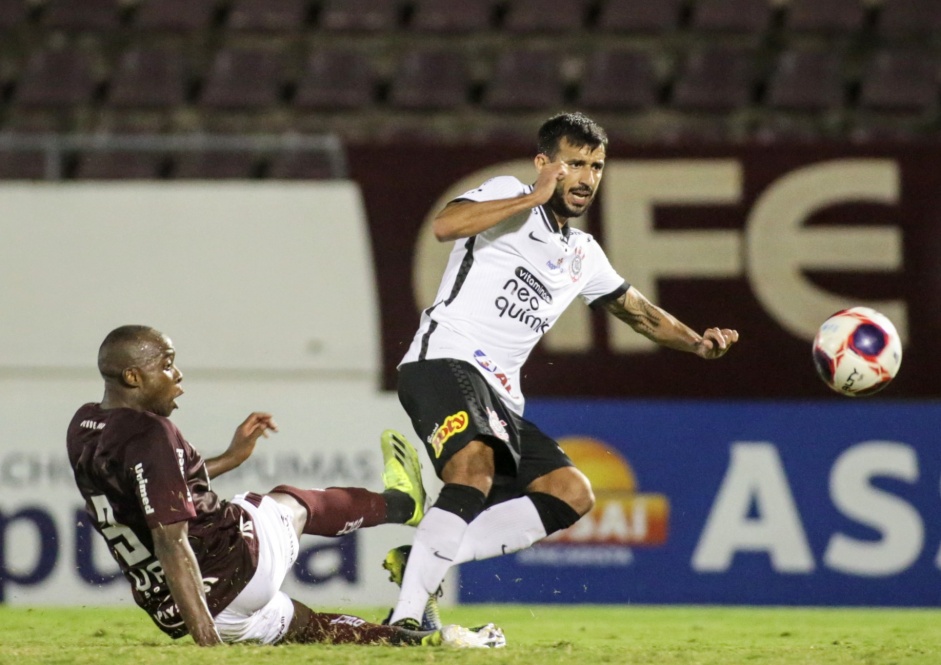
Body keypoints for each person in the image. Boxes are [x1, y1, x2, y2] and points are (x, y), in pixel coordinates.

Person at [385, 112, 740, 628]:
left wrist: (698, 344)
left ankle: (424, 557)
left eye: (595, 166)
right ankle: (406, 621)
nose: (586, 177)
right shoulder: (508, 194)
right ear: (544, 163)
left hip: (501, 397)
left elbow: (638, 312)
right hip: (444, 360)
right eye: (574, 163)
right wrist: (531, 197)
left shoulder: (583, 254)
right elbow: (445, 225)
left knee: (571, 493)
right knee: (474, 470)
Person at [66, 324, 505, 648]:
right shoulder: (151, 432)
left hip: (190, 609)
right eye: (166, 364)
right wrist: (207, 646)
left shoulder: (84, 426)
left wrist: (229, 459)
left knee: (311, 630)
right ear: (132, 377)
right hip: (232, 568)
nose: (178, 374)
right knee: (291, 503)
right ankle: (400, 503)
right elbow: (170, 540)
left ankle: (427, 642)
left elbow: (151, 492)